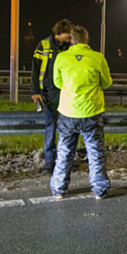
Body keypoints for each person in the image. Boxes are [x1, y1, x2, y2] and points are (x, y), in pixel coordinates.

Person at [50, 25, 112, 199]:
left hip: (68, 112)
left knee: (64, 152)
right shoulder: (97, 57)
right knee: (95, 152)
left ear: (71, 40)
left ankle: (59, 189)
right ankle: (99, 190)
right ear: (88, 40)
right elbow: (106, 83)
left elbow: (57, 82)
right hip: (91, 111)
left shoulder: (62, 57)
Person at [30, 19, 73, 174]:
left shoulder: (70, 47)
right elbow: (35, 69)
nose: (71, 36)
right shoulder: (44, 45)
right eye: (69, 33)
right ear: (60, 32)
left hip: (65, 92)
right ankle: (49, 161)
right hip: (49, 92)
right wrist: (35, 91)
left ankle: (63, 159)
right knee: (51, 126)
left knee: (66, 127)